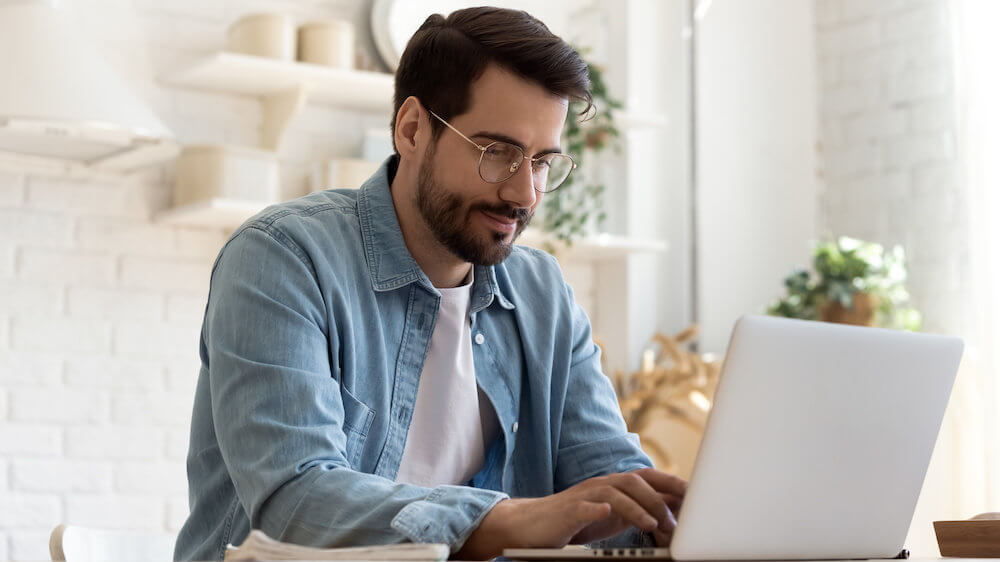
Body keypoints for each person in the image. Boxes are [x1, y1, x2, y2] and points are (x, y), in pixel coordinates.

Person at [174, 6, 686, 561]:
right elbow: (294, 503)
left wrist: (673, 518)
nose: (525, 195)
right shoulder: (284, 259)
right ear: (412, 129)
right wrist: (508, 519)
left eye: (541, 162)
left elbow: (611, 483)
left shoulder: (543, 294)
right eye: (498, 153)